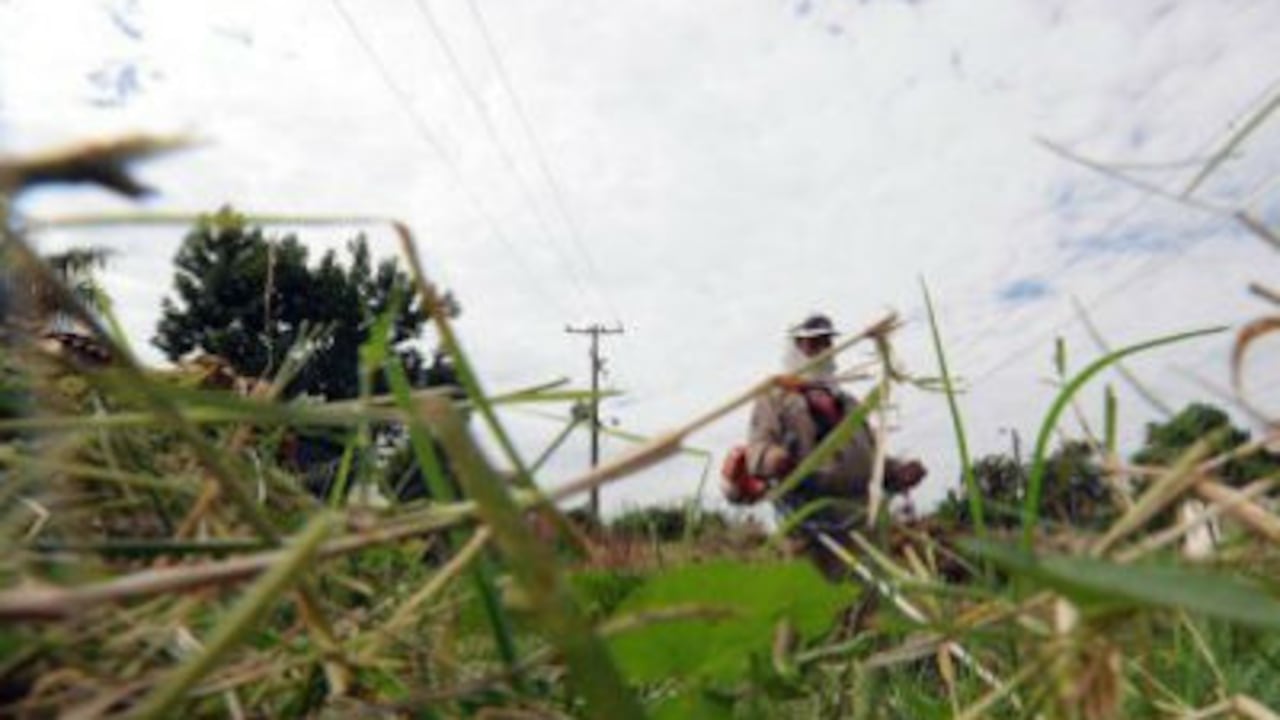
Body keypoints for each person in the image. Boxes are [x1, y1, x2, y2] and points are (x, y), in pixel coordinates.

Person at [724, 312, 925, 580]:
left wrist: (898, 472)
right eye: (812, 344)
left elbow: (871, 458)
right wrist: (774, 459)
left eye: (826, 343)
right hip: (811, 529)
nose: (821, 350)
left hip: (863, 527)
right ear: (795, 348)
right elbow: (758, 450)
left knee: (870, 597)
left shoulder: (850, 403)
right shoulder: (775, 399)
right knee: (821, 600)